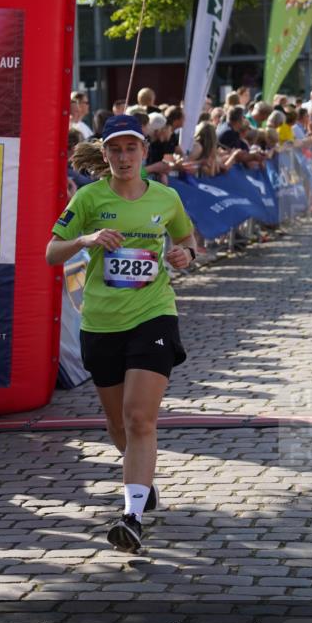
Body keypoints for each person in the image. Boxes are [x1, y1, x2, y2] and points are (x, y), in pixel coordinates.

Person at [46, 115, 196, 553]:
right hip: (101, 323)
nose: (124, 157)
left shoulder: (166, 199)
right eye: (115, 149)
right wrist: (86, 238)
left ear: (145, 153)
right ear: (106, 153)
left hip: (153, 314)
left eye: (132, 149)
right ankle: (141, 482)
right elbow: (51, 251)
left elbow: (187, 242)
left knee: (138, 418)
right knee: (117, 424)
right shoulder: (90, 198)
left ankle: (131, 516)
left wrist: (185, 255)